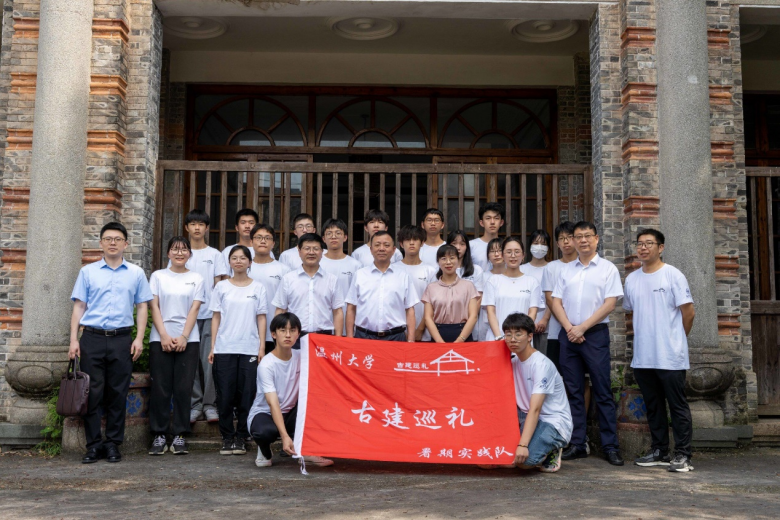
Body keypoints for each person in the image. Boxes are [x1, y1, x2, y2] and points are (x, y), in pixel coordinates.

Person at [69, 222, 153, 464]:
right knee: (91, 393)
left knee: (118, 392)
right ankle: (93, 445)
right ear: (101, 243)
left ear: (126, 243)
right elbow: (79, 307)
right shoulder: (88, 272)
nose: (113, 243)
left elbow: (142, 307)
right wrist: (73, 340)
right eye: (108, 239)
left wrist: (139, 338)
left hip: (121, 339)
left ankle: (113, 443)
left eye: (117, 239)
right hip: (92, 338)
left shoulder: (136, 273)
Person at [550, 221, 624, 466]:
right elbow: (556, 302)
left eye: (587, 236)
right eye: (578, 236)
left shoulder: (607, 268)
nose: (582, 240)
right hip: (568, 334)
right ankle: (578, 443)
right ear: (572, 240)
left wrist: (582, 328)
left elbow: (610, 304)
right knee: (573, 391)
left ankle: (610, 446)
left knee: (602, 390)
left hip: (594, 335)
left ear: (596, 238)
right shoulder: (566, 270)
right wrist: (570, 328)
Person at [624, 229, 696, 473]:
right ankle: (660, 451)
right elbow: (631, 312)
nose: (643, 248)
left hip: (670, 355)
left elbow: (689, 312)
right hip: (643, 356)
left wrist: (677, 339)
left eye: (649, 243)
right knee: (653, 405)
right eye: (640, 244)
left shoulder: (673, 275)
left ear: (661, 247)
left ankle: (683, 454)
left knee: (677, 406)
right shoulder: (632, 279)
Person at [248, 312, 334, 469]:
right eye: (282, 330)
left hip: (292, 412)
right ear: (273, 334)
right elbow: (273, 403)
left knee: (319, 403)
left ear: (298, 334)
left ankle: (307, 451)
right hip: (265, 413)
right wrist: (285, 436)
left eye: (292, 330)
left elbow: (329, 359)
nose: (288, 335)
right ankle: (264, 451)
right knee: (265, 432)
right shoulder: (266, 365)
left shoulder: (303, 356)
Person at [148, 236, 206, 456]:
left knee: (183, 388)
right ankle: (159, 434)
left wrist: (183, 336)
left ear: (189, 254)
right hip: (159, 338)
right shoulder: (158, 276)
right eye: (175, 249)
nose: (179, 253)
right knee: (161, 388)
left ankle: (180, 434)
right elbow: (154, 306)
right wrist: (164, 335)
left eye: (183, 250)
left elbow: (195, 309)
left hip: (188, 339)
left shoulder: (196, 278)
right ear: (168, 253)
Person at [209, 245, 268, 456]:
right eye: (234, 258)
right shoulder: (221, 287)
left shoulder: (258, 287)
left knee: (247, 394)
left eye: (243, 258)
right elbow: (216, 317)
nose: (238, 261)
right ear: (229, 262)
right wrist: (213, 346)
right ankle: (227, 437)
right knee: (225, 395)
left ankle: (242, 436)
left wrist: (261, 347)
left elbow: (261, 317)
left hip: (249, 348)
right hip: (224, 347)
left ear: (250, 262)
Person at [504, 313, 573, 473]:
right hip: (524, 415)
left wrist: (523, 445)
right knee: (502, 455)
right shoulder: (512, 362)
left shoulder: (541, 365)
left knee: (523, 462)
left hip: (551, 420)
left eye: (518, 334)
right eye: (508, 334)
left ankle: (554, 446)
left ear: (530, 336)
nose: (512, 339)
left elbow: (535, 409)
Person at [181, 209, 228, 425]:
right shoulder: (181, 253)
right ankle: (195, 405)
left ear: (207, 228)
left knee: (209, 361)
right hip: (185, 317)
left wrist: (219, 314)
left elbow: (220, 285)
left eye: (201, 224)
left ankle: (210, 405)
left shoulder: (215, 255)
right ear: (187, 228)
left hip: (209, 315)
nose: (197, 228)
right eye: (193, 224)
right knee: (190, 361)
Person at [272, 233, 344, 347]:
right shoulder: (288, 279)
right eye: (307, 248)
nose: (311, 252)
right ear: (299, 252)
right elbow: (280, 310)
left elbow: (338, 312)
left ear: (322, 252)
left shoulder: (332, 280)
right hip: (294, 337)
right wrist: (278, 340)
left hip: (324, 337)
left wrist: (338, 340)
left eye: (315, 249)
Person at [346, 231, 419, 342]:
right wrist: (350, 338)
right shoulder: (359, 275)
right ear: (371, 250)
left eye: (386, 245)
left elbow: (410, 310)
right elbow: (351, 308)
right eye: (377, 245)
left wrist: (411, 340)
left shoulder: (403, 276)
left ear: (393, 250)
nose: (381, 249)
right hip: (364, 337)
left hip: (396, 337)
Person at [483, 236, 541, 341]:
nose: (513, 256)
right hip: (496, 338)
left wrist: (521, 336)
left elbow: (532, 313)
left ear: (523, 255)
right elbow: (490, 312)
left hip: (522, 341)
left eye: (517, 252)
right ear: (502, 255)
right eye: (509, 252)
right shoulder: (493, 281)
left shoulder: (532, 282)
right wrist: (499, 337)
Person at [421, 245, 480, 343]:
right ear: (438, 262)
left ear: (458, 260)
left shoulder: (469, 286)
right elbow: (428, 318)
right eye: (443, 259)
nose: (448, 262)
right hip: (438, 336)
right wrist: (440, 342)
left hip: (463, 335)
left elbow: (473, 316)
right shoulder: (431, 288)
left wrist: (460, 340)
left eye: (452, 258)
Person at [247, 223, 290, 355]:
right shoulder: (243, 268)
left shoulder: (284, 270)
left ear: (273, 243)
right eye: (258, 237)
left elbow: (288, 303)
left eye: (267, 238)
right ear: (251, 242)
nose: (263, 241)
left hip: (275, 330)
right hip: (247, 331)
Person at [541, 221, 577, 372]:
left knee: (583, 376)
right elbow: (550, 300)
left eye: (569, 237)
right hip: (557, 332)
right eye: (562, 238)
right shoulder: (551, 267)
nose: (566, 241)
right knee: (557, 374)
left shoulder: (584, 266)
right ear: (557, 243)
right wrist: (567, 325)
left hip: (582, 330)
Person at [319, 218, 363, 336]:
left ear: (345, 237)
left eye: (338, 233)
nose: (333, 236)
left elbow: (358, 297)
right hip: (322, 325)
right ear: (323, 239)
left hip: (347, 326)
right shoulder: (318, 263)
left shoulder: (355, 265)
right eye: (329, 233)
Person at [395, 225, 438, 341]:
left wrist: (420, 329)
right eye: (407, 240)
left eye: (415, 239)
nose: (411, 243)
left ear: (422, 243)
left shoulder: (430, 271)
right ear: (401, 244)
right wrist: (402, 331)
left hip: (425, 330)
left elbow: (432, 303)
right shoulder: (393, 269)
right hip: (398, 331)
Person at [521, 230, 552, 355]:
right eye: (536, 243)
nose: (539, 247)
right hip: (524, 325)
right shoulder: (522, 269)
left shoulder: (552, 268)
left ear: (548, 247)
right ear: (530, 246)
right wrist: (530, 321)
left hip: (548, 326)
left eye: (543, 244)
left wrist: (545, 319)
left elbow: (553, 297)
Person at [475, 237, 505, 341]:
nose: (496, 254)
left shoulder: (512, 277)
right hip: (486, 323)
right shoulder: (483, 276)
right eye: (492, 251)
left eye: (500, 250)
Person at [221, 209, 262, 277]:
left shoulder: (264, 250)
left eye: (251, 223)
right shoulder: (227, 251)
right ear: (237, 227)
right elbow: (225, 277)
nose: (247, 226)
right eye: (243, 222)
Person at [469, 202, 505, 272]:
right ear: (481, 223)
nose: (492, 222)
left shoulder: (506, 246)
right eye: (488, 218)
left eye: (496, 218)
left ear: (501, 222)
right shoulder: (471, 245)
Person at [447, 230, 485, 294]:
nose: (458, 247)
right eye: (454, 243)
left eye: (462, 244)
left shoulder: (476, 270)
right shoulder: (441, 269)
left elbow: (478, 296)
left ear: (467, 247)